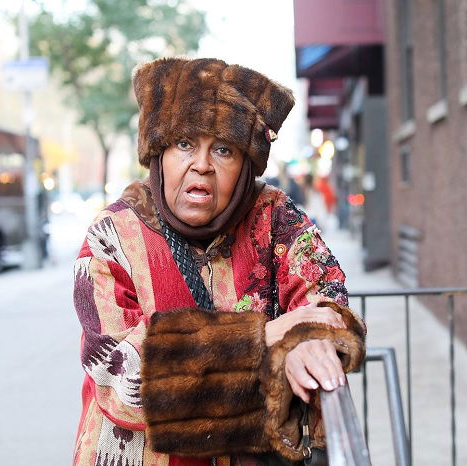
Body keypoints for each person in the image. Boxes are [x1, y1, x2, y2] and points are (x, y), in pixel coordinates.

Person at [72, 57, 366, 466]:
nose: (202, 165)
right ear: (159, 153)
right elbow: (121, 379)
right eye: (184, 144)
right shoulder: (113, 235)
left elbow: (330, 307)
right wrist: (268, 336)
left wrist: (305, 339)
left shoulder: (274, 218)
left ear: (245, 165)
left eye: (224, 149)